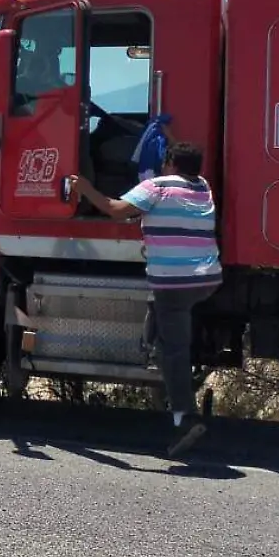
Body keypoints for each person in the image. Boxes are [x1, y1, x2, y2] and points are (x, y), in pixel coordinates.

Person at [68, 140, 220, 460]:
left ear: (170, 164)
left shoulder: (157, 187)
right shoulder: (202, 187)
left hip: (175, 284)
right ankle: (154, 339)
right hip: (207, 279)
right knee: (166, 323)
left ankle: (184, 418)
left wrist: (85, 187)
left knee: (173, 350)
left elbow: (114, 210)